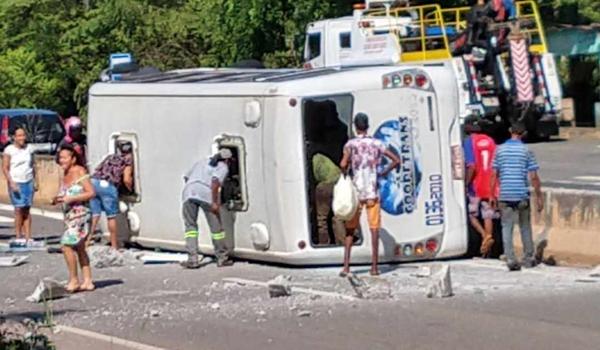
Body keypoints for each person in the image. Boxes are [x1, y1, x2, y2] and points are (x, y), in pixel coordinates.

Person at [340, 113, 401, 276]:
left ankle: (346, 266)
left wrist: (345, 173)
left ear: (355, 126)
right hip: (373, 191)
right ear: (367, 125)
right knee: (374, 228)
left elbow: (343, 163)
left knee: (350, 230)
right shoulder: (377, 144)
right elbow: (396, 160)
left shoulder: (350, 144)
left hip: (357, 192)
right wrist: (382, 172)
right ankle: (374, 267)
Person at [491, 123, 543, 271]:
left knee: (506, 227)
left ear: (510, 131)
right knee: (525, 226)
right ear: (524, 133)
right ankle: (528, 258)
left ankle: (511, 259)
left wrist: (491, 195)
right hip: (521, 194)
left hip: (505, 194)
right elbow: (533, 176)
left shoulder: (499, 150)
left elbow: (494, 174)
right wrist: (539, 196)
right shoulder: (526, 150)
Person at [181, 148, 235, 269]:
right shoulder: (223, 166)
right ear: (227, 160)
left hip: (188, 192)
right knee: (216, 229)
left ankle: (192, 259)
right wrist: (215, 202)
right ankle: (222, 257)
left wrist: (193, 189)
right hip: (206, 194)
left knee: (190, 227)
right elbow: (215, 183)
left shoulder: (202, 161)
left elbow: (186, 177)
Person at [53, 144, 96, 292]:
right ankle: (88, 280)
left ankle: (74, 279)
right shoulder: (64, 174)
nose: (62, 160)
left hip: (81, 214)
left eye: (65, 157)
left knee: (66, 245)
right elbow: (64, 194)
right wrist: (57, 199)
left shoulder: (79, 171)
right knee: (79, 247)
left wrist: (72, 198)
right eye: (60, 157)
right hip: (70, 216)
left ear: (73, 158)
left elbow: (91, 192)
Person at [88, 141, 134, 249]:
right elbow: (127, 179)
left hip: (94, 182)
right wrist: (130, 189)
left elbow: (98, 169)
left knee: (95, 215)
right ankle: (114, 245)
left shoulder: (111, 156)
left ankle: (87, 240)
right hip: (108, 186)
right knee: (111, 217)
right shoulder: (128, 160)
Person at [463, 118, 498, 257]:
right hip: (490, 185)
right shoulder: (490, 141)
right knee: (488, 215)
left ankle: (484, 236)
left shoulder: (469, 142)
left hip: (476, 185)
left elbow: (471, 165)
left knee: (472, 214)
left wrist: (466, 183)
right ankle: (488, 244)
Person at [2, 127, 37, 242]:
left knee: (27, 208)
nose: (22, 138)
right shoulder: (9, 150)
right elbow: (5, 168)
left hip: (28, 180)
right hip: (16, 181)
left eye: (23, 135)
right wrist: (11, 182)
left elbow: (33, 166)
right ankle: (18, 236)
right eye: (19, 135)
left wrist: (36, 181)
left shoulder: (29, 149)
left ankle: (28, 236)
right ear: (14, 137)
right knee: (18, 209)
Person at [312, 153, 344, 245]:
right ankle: (341, 243)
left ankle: (324, 243)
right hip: (339, 183)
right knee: (338, 216)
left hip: (325, 186)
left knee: (322, 219)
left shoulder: (312, 160)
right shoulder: (324, 158)